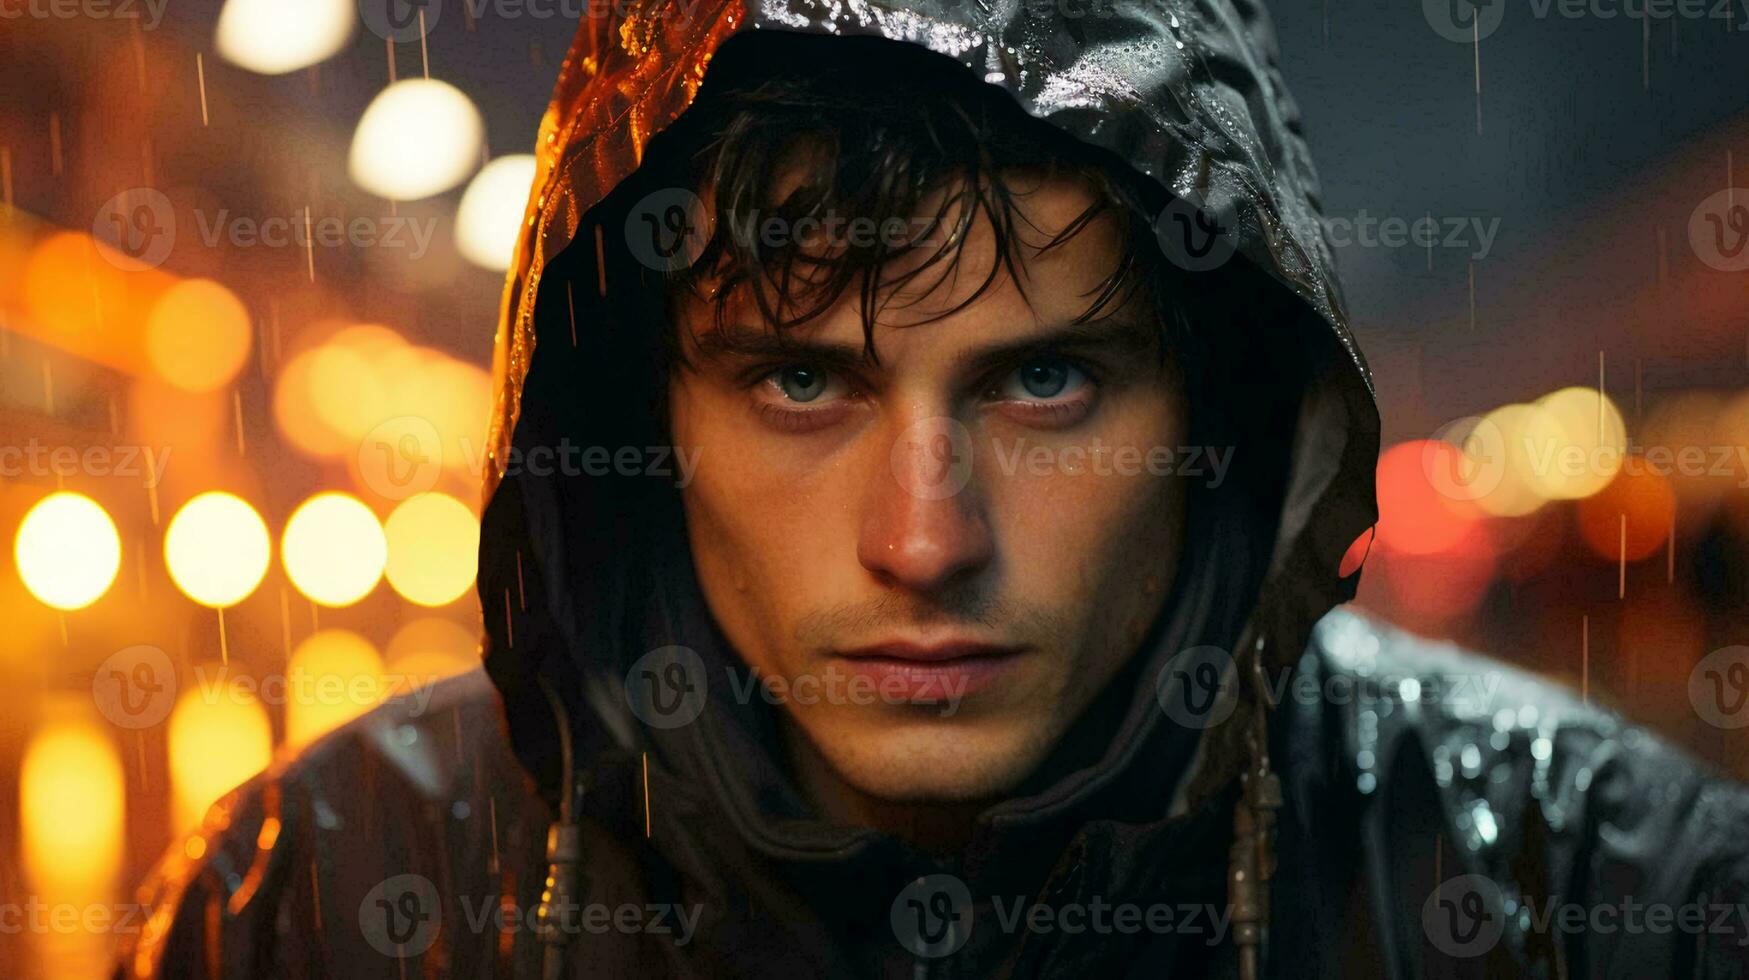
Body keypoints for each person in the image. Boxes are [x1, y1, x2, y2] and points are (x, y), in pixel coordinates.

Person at [121, 2, 1749, 977]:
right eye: (801, 381)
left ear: (1224, 408)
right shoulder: (325, 891)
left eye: (1044, 383)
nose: (922, 539)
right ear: (642, 411)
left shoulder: (1607, 892)